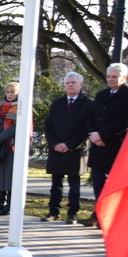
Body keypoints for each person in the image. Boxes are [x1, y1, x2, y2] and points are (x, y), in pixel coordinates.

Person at [84, 63, 128, 228]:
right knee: (98, 184)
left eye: (114, 76)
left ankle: (113, 218)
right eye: (109, 76)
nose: (110, 79)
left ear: (124, 77)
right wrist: (94, 135)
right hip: (98, 146)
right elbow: (90, 117)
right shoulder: (101, 94)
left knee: (115, 186)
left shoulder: (127, 95)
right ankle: (99, 215)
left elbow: (124, 121)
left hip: (116, 147)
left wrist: (102, 135)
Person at [42, 72, 91, 224]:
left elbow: (87, 129)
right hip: (56, 149)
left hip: (76, 150)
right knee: (55, 184)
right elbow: (48, 125)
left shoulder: (89, 103)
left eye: (73, 83)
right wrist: (55, 143)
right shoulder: (57, 103)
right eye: (67, 83)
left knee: (74, 185)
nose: (70, 85)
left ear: (81, 85)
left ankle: (72, 214)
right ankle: (53, 212)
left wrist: (69, 145)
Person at [0, 82, 20, 216]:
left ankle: (10, 205)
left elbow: (16, 127)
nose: (10, 94)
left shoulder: (19, 108)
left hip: (12, 146)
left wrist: (1, 137)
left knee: (10, 177)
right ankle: (0, 203)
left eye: (13, 92)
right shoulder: (0, 108)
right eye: (8, 92)